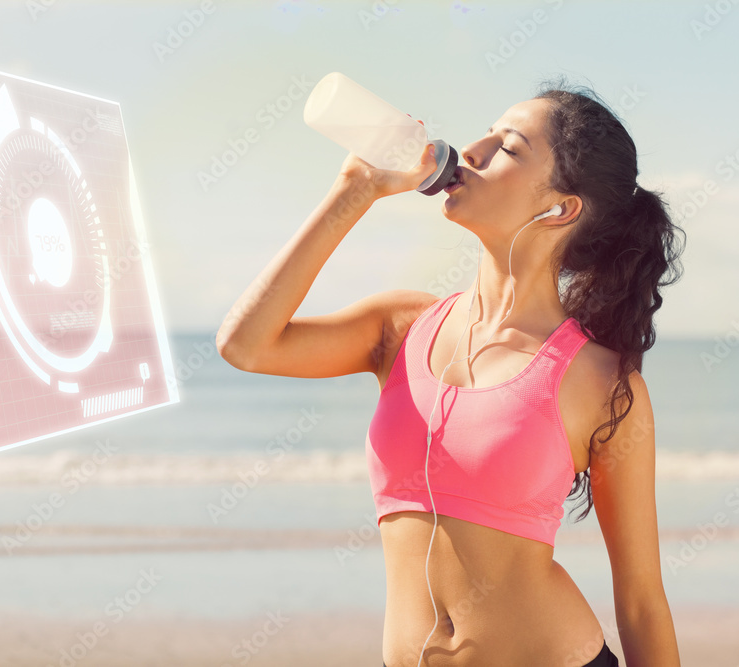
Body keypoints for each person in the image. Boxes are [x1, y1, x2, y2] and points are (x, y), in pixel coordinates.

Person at [216, 79, 685, 666]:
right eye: (485, 131)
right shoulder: (400, 327)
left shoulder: (602, 384)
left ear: (560, 208)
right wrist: (354, 190)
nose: (472, 150)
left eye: (509, 147)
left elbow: (640, 599)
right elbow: (246, 345)